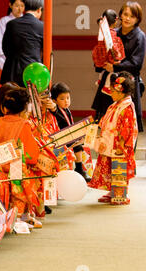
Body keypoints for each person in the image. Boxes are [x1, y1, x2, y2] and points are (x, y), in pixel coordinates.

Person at [0, 87, 43, 226]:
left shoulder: (0, 121)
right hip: (15, 166)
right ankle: (22, 215)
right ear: (24, 109)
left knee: (21, 168)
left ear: (4, 108)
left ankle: (22, 215)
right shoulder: (24, 124)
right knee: (33, 171)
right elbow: (31, 154)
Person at [93, 1, 145, 132]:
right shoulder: (112, 32)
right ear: (120, 15)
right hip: (109, 84)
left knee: (127, 127)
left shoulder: (140, 36)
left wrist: (115, 68)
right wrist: (100, 62)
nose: (127, 18)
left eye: (132, 16)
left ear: (137, 19)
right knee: (106, 124)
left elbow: (136, 64)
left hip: (128, 86)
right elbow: (101, 57)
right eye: (125, 14)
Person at [89, 71, 138, 205]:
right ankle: (112, 192)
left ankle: (121, 194)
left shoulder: (127, 106)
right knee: (110, 168)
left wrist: (122, 144)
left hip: (119, 145)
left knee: (119, 169)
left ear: (120, 92)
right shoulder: (116, 104)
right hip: (110, 142)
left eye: (112, 91)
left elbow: (127, 127)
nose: (110, 93)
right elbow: (106, 120)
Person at [91, 9, 126, 121]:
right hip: (113, 74)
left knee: (102, 109)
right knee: (113, 106)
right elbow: (118, 57)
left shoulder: (101, 36)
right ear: (115, 22)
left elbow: (97, 57)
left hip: (104, 72)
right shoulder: (114, 37)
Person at [50, 82, 89, 180]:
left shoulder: (66, 109)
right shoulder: (56, 110)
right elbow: (54, 110)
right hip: (60, 138)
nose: (66, 101)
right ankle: (79, 169)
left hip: (68, 135)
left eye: (68, 98)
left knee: (83, 140)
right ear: (54, 100)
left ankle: (81, 168)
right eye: (62, 99)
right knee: (77, 144)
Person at [0, 0, 44, 87]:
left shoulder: (11, 24)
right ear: (39, 10)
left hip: (12, 71)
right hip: (33, 72)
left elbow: (5, 48)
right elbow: (46, 50)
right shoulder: (42, 26)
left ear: (25, 8)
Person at [0, 0, 25, 71]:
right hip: (7, 59)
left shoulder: (26, 21)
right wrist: (2, 60)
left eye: (22, 6)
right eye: (17, 6)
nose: (19, 9)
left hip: (24, 59)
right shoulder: (4, 21)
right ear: (10, 5)